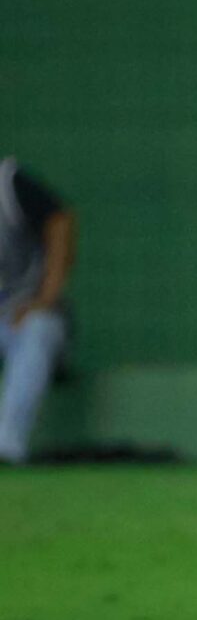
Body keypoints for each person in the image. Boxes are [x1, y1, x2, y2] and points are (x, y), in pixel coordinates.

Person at [0, 157, 75, 466]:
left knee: (37, 327)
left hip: (22, 313)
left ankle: (5, 446)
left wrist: (46, 297)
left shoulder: (6, 182)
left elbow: (61, 220)